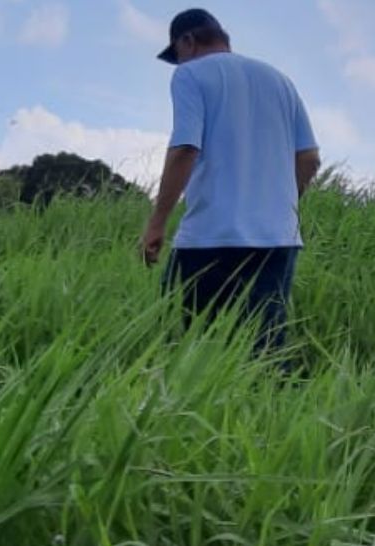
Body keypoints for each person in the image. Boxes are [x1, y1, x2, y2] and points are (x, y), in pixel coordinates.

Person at [139, 8, 323, 361]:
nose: (178, 64)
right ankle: (270, 412)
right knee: (264, 352)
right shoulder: (280, 80)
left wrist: (157, 223)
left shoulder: (190, 75)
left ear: (187, 41)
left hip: (211, 237)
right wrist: (283, 203)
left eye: (177, 55)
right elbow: (310, 159)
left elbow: (185, 149)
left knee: (185, 347)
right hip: (278, 240)